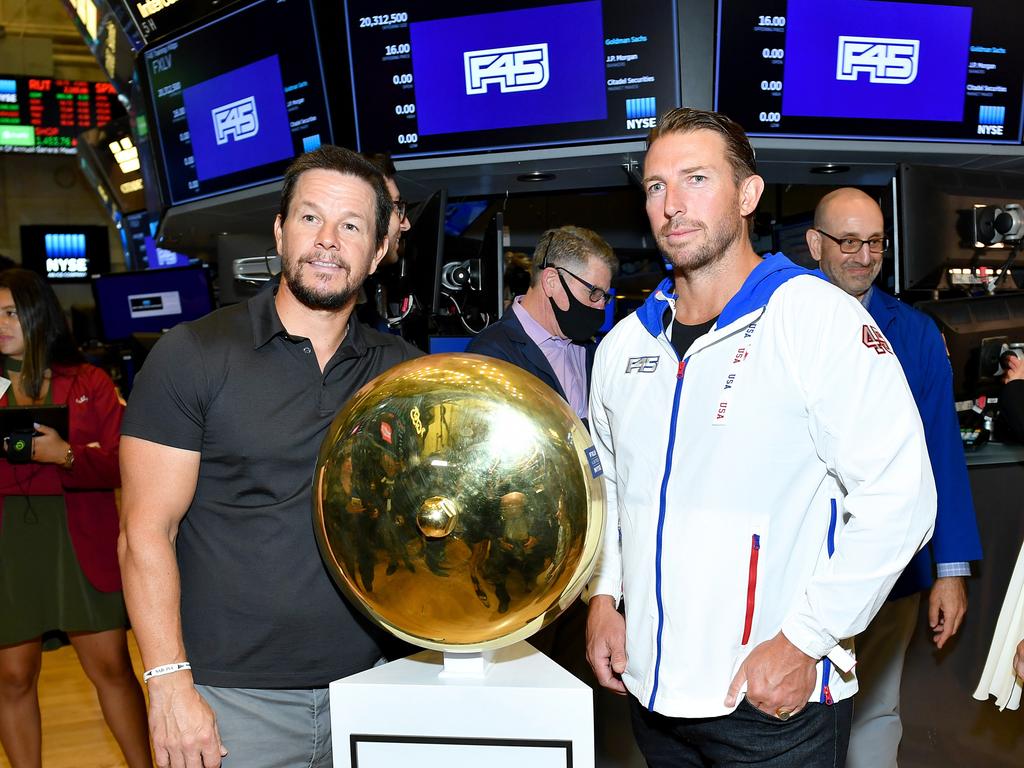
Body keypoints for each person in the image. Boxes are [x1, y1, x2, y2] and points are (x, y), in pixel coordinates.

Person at [585, 107, 936, 767]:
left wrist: (806, 639)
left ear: (748, 195)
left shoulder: (814, 318)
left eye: (696, 179)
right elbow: (611, 491)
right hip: (652, 693)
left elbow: (903, 495)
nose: (672, 204)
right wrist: (604, 597)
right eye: (657, 186)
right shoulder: (624, 346)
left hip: (772, 696)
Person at [118, 145, 421, 768]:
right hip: (231, 702)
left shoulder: (404, 374)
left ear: (381, 249)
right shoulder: (192, 355)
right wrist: (168, 684)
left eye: (353, 226)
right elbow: (145, 531)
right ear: (280, 231)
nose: (329, 241)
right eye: (310, 218)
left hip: (378, 689)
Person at [806, 187, 982, 768]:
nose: (863, 255)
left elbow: (941, 453)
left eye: (875, 242)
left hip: (894, 572)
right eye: (848, 241)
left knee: (877, 713)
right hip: (800, 573)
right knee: (792, 719)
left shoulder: (913, 334)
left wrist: (950, 571)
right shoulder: (777, 325)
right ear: (815, 244)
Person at [0, 268, 151, 768]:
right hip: (9, 546)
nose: (0, 325)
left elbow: (122, 462)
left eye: (9, 313)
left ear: (38, 314)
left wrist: (66, 456)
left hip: (80, 538)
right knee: (13, 677)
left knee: (111, 668)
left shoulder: (88, 381)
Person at [467, 225, 617, 427]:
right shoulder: (491, 356)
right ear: (552, 281)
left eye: (604, 297)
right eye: (594, 292)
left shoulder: (592, 349)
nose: (600, 305)